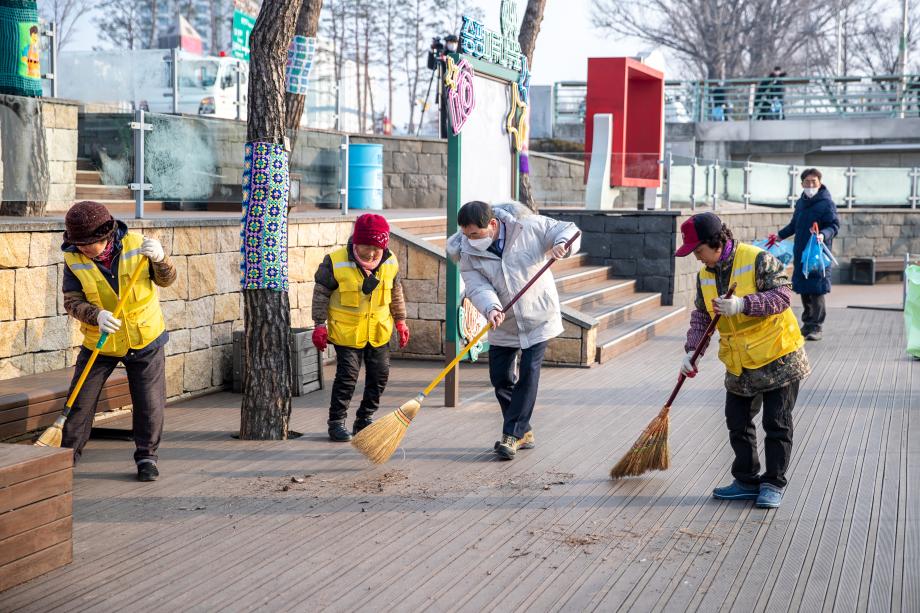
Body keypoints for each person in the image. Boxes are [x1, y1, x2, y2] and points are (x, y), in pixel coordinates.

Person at [677, 212, 810, 509]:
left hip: (779, 356)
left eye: (698, 251)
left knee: (776, 423)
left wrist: (743, 305)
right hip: (740, 362)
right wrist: (692, 351)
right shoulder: (705, 275)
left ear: (714, 242)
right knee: (737, 421)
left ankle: (773, 483)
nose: (697, 258)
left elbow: (783, 296)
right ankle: (746, 480)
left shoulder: (757, 258)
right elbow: (702, 316)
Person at [446, 201, 580, 460]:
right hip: (502, 320)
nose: (469, 240)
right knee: (500, 378)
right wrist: (491, 308)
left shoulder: (528, 227)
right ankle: (524, 430)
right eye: (465, 234)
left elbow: (569, 229)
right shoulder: (467, 252)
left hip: (537, 316)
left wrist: (562, 244)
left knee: (529, 372)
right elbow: (476, 286)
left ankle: (511, 435)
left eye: (475, 234)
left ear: (493, 225)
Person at [60, 201, 175, 482]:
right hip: (102, 339)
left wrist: (161, 260)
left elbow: (167, 280)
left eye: (91, 243)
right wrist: (95, 315)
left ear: (107, 235)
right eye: (80, 243)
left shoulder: (139, 246)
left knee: (149, 403)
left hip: (144, 335)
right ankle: (64, 458)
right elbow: (72, 301)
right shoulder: (74, 259)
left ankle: (147, 458)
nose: (85, 249)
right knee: (80, 401)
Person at [311, 214, 409, 442]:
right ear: (356, 241)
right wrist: (319, 325)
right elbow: (320, 295)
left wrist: (401, 321)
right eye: (367, 246)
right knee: (347, 377)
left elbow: (396, 292)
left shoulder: (390, 260)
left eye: (377, 247)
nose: (372, 253)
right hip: (347, 332)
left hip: (379, 331)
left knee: (380, 376)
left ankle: (364, 418)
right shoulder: (335, 262)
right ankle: (336, 422)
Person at [770, 168, 840, 341]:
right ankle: (807, 324)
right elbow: (794, 224)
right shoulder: (801, 202)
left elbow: (834, 225)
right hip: (801, 254)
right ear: (801, 184)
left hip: (817, 255)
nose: (810, 185)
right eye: (807, 182)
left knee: (817, 289)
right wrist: (780, 235)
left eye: (814, 182)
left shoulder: (826, 203)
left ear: (820, 182)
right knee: (804, 289)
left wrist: (823, 234)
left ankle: (817, 326)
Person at [427, 34, 459, 138]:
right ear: (447, 43)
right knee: (443, 115)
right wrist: (432, 52)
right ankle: (444, 138)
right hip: (443, 89)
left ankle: (454, 136)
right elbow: (431, 66)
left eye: (454, 43)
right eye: (450, 43)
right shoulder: (442, 54)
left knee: (454, 115)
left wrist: (448, 59)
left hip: (455, 90)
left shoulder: (458, 54)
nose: (452, 45)